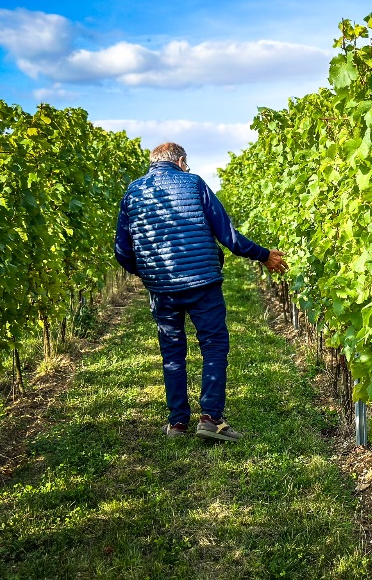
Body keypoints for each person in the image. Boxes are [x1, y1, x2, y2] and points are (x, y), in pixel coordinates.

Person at [114, 142, 287, 441]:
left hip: (162, 288)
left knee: (172, 353)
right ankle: (211, 419)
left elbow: (122, 250)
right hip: (202, 282)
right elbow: (227, 235)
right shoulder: (194, 183)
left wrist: (146, 273)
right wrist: (263, 254)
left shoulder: (133, 192)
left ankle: (177, 424)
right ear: (181, 161)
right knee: (214, 346)